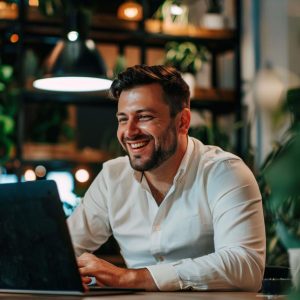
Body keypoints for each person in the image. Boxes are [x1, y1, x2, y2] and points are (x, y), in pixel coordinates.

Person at [67, 64, 266, 292]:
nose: (129, 132)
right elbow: (62, 249)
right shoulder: (113, 177)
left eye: (144, 117)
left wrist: (130, 278)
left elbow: (245, 266)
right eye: (123, 119)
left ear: (182, 121)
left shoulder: (224, 172)